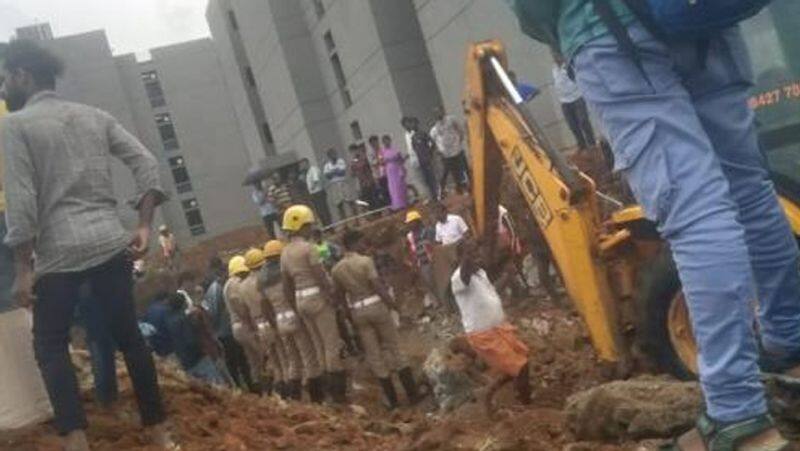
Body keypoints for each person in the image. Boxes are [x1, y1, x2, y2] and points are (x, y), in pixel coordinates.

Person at [509, 1, 800, 447]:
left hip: (609, 32)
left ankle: (739, 418)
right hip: (706, 22)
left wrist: (557, 35)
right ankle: (790, 346)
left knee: (696, 209)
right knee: (749, 190)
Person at [1, 40, 174, 450]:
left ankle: (77, 441)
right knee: (128, 336)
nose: (3, 86)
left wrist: (24, 269)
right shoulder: (94, 116)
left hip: (59, 254)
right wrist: (145, 226)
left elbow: (22, 203)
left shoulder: (15, 126)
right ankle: (160, 433)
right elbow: (146, 163)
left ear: (23, 76)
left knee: (49, 344)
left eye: (6, 77)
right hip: (109, 243)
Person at [0, 97, 52, 430]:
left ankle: (18, 409)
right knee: (16, 303)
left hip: (6, 214)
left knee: (8, 306)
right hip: (13, 214)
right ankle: (38, 398)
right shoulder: (5, 109)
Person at [332, 230, 421, 409]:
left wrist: (350, 317)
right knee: (395, 348)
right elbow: (377, 287)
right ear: (354, 243)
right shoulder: (365, 262)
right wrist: (394, 307)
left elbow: (340, 298)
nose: (364, 246)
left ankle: (393, 401)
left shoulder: (337, 269)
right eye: (361, 242)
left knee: (375, 356)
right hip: (376, 307)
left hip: (358, 311)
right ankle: (412, 394)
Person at [451, 239, 532, 416]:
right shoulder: (458, 278)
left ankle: (488, 394)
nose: (476, 256)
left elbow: (492, 293)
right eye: (471, 253)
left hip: (498, 328)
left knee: (522, 358)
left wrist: (507, 277)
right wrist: (466, 255)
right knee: (521, 366)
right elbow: (465, 271)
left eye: (476, 252)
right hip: (483, 334)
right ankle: (528, 408)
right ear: (461, 257)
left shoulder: (480, 273)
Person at [280, 205, 347, 403]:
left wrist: (295, 307)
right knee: (331, 345)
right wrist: (332, 294)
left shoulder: (284, 254)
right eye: (308, 225)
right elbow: (320, 275)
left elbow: (286, 287)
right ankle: (338, 395)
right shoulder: (309, 248)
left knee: (318, 347)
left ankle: (326, 394)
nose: (310, 229)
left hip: (300, 301)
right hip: (317, 298)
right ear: (300, 226)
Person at [258, 240, 324, 401]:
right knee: (309, 358)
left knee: (293, 360)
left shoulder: (262, 281)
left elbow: (264, 306)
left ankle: (294, 397)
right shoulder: (284, 273)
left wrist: (275, 325)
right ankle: (317, 398)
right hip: (294, 317)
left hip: (280, 320)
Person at [239, 248, 289, 396]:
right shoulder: (263, 280)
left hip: (259, 325)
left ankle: (280, 391)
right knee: (284, 356)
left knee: (274, 360)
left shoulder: (242, 287)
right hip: (271, 320)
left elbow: (244, 312)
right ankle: (290, 389)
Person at [203, 257, 252, 391]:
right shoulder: (215, 290)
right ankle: (239, 386)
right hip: (224, 333)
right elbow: (212, 313)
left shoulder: (224, 286)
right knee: (233, 361)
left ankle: (249, 384)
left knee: (242, 359)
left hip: (231, 330)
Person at [164, 290, 230, 387]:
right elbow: (190, 340)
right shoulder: (184, 319)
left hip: (185, 361)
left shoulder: (169, 321)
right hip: (198, 358)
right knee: (217, 384)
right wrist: (202, 349)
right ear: (182, 304)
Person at [225, 255, 266, 394]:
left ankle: (259, 389)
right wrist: (251, 324)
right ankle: (267, 387)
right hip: (244, 325)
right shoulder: (235, 284)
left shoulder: (227, 284)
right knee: (262, 355)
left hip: (237, 327)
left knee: (252, 360)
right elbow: (239, 306)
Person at [551, 51, 595, 151]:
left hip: (577, 97)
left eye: (556, 54)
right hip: (564, 101)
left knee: (583, 120)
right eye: (553, 55)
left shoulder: (568, 65)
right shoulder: (554, 68)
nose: (555, 56)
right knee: (573, 125)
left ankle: (592, 143)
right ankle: (582, 145)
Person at [404, 210, 439, 309]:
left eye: (411, 222)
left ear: (417, 221)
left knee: (437, 281)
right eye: (409, 223)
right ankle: (437, 303)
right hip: (422, 262)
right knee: (429, 283)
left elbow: (435, 244)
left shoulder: (428, 230)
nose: (410, 225)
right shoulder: (410, 236)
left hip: (433, 260)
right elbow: (411, 250)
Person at [430, 106, 468, 196]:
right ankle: (460, 190)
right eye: (435, 113)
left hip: (457, 150)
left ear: (443, 111)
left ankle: (470, 187)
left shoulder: (452, 119)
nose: (437, 114)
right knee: (454, 173)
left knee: (464, 169)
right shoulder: (434, 129)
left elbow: (461, 131)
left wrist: (459, 142)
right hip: (446, 154)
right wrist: (439, 152)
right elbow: (434, 142)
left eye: (439, 112)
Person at [402, 117, 439, 201]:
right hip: (417, 161)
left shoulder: (421, 133)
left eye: (411, 123)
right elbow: (413, 148)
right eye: (406, 124)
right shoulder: (410, 136)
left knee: (431, 178)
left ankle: (436, 194)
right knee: (423, 180)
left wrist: (429, 153)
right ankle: (430, 196)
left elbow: (431, 143)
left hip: (426, 160)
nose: (410, 125)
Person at [323, 148, 355, 221]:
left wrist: (333, 172)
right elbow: (327, 176)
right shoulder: (327, 165)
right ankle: (345, 223)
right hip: (334, 185)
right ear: (329, 156)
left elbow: (342, 172)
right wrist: (335, 171)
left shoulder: (341, 161)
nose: (333, 155)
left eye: (334, 153)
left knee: (350, 201)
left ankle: (356, 219)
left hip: (343, 182)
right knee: (339, 205)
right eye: (331, 154)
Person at [380, 135, 409, 211]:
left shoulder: (395, 150)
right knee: (393, 188)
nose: (386, 142)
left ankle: (404, 203)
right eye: (385, 141)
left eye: (388, 140)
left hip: (397, 168)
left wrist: (404, 159)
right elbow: (380, 162)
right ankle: (397, 205)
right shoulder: (382, 152)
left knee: (400, 186)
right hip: (390, 171)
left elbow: (401, 160)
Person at [302, 158, 332, 226]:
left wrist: (312, 187)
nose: (303, 166)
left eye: (304, 164)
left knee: (323, 210)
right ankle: (325, 225)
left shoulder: (313, 169)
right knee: (319, 211)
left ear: (307, 163)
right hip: (313, 194)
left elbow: (316, 180)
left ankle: (329, 226)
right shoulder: (307, 173)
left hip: (318, 192)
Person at [349, 142, 379, 209]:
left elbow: (368, 168)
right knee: (366, 199)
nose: (354, 152)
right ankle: (371, 213)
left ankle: (378, 212)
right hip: (362, 183)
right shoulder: (353, 162)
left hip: (369, 180)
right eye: (352, 151)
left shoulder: (364, 157)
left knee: (374, 197)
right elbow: (352, 174)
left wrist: (372, 179)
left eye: (354, 150)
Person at [368, 135, 390, 207]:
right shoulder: (371, 153)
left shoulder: (382, 150)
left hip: (387, 172)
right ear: (371, 144)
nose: (375, 144)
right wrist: (378, 161)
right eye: (373, 143)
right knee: (383, 191)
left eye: (376, 141)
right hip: (379, 175)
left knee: (390, 188)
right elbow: (372, 163)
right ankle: (388, 206)